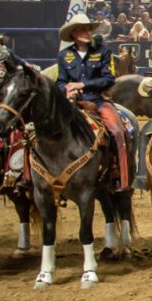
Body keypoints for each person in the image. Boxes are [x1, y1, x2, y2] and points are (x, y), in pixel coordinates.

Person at [56, 12, 131, 190]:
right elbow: (60, 81)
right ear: (73, 33)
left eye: (89, 29)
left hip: (97, 101)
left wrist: (83, 84)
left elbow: (108, 79)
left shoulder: (103, 52)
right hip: (71, 103)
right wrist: (67, 89)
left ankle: (120, 177)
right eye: (83, 29)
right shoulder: (64, 55)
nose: (88, 32)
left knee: (118, 131)